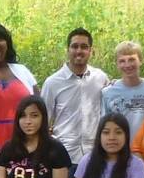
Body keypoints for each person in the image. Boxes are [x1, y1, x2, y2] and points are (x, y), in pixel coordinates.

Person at [40, 28, 110, 162]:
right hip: (64, 156)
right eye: (74, 46)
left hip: (95, 155)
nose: (79, 51)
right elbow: (44, 121)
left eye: (84, 47)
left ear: (91, 51)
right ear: (68, 50)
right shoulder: (53, 83)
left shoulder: (100, 78)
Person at [101, 40, 144, 137]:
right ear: (117, 64)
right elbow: (105, 127)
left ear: (141, 60)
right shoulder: (108, 92)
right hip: (120, 150)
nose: (127, 65)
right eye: (122, 61)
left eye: (131, 59)